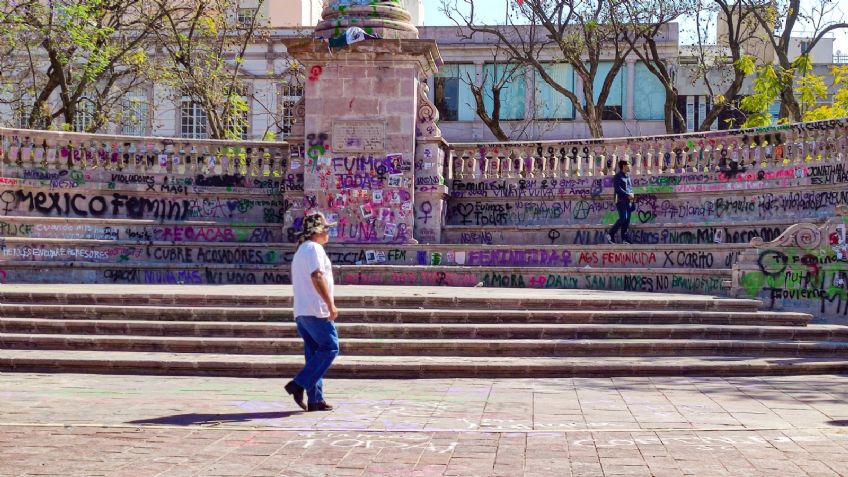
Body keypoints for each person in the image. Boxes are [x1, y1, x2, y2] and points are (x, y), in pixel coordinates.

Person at [285, 213, 339, 412]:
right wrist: (330, 304)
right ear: (317, 231)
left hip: (302, 311)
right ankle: (298, 384)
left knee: (314, 353)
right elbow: (317, 276)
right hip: (316, 310)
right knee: (330, 347)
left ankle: (315, 399)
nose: (328, 232)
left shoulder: (302, 250)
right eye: (326, 229)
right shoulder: (314, 248)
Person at [606, 160, 635, 245]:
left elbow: (630, 189)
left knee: (627, 220)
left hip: (629, 201)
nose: (630, 166)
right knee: (623, 218)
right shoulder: (618, 176)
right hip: (620, 201)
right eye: (629, 164)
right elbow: (617, 189)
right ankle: (610, 234)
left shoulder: (628, 176)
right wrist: (627, 195)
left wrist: (632, 200)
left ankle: (624, 239)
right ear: (624, 166)